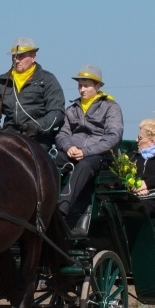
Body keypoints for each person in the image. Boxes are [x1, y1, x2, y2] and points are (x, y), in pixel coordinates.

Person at [55, 65, 123, 235]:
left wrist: (86, 151)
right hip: (72, 153)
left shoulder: (111, 107)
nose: (82, 89)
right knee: (48, 162)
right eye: (80, 85)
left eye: (86, 85)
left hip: (99, 156)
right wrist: (68, 147)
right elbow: (62, 134)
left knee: (85, 165)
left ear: (98, 86)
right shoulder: (72, 109)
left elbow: (114, 137)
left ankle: (61, 209)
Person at [0, 37, 65, 150]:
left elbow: (57, 112)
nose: (16, 60)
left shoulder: (47, 79)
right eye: (14, 56)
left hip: (38, 139)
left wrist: (36, 126)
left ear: (33, 57)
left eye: (21, 56)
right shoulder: (2, 81)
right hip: (9, 137)